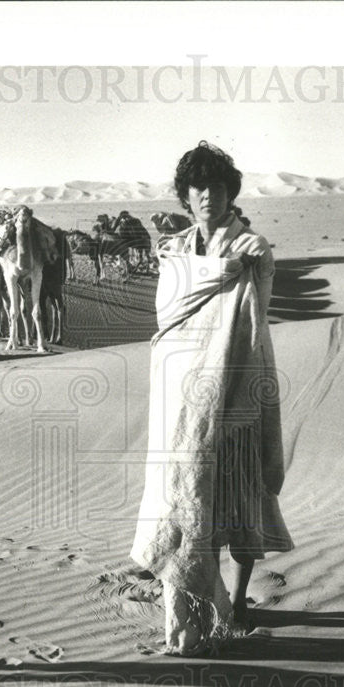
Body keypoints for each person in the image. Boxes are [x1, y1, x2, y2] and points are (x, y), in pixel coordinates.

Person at [131, 141, 292, 656]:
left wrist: (260, 268)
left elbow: (256, 313)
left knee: (243, 497)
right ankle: (197, 607)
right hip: (183, 404)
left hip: (237, 387)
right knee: (186, 499)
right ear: (185, 195)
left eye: (217, 186)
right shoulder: (176, 254)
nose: (208, 196)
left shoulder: (249, 247)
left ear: (230, 193)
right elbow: (167, 317)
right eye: (198, 187)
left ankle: (240, 600)